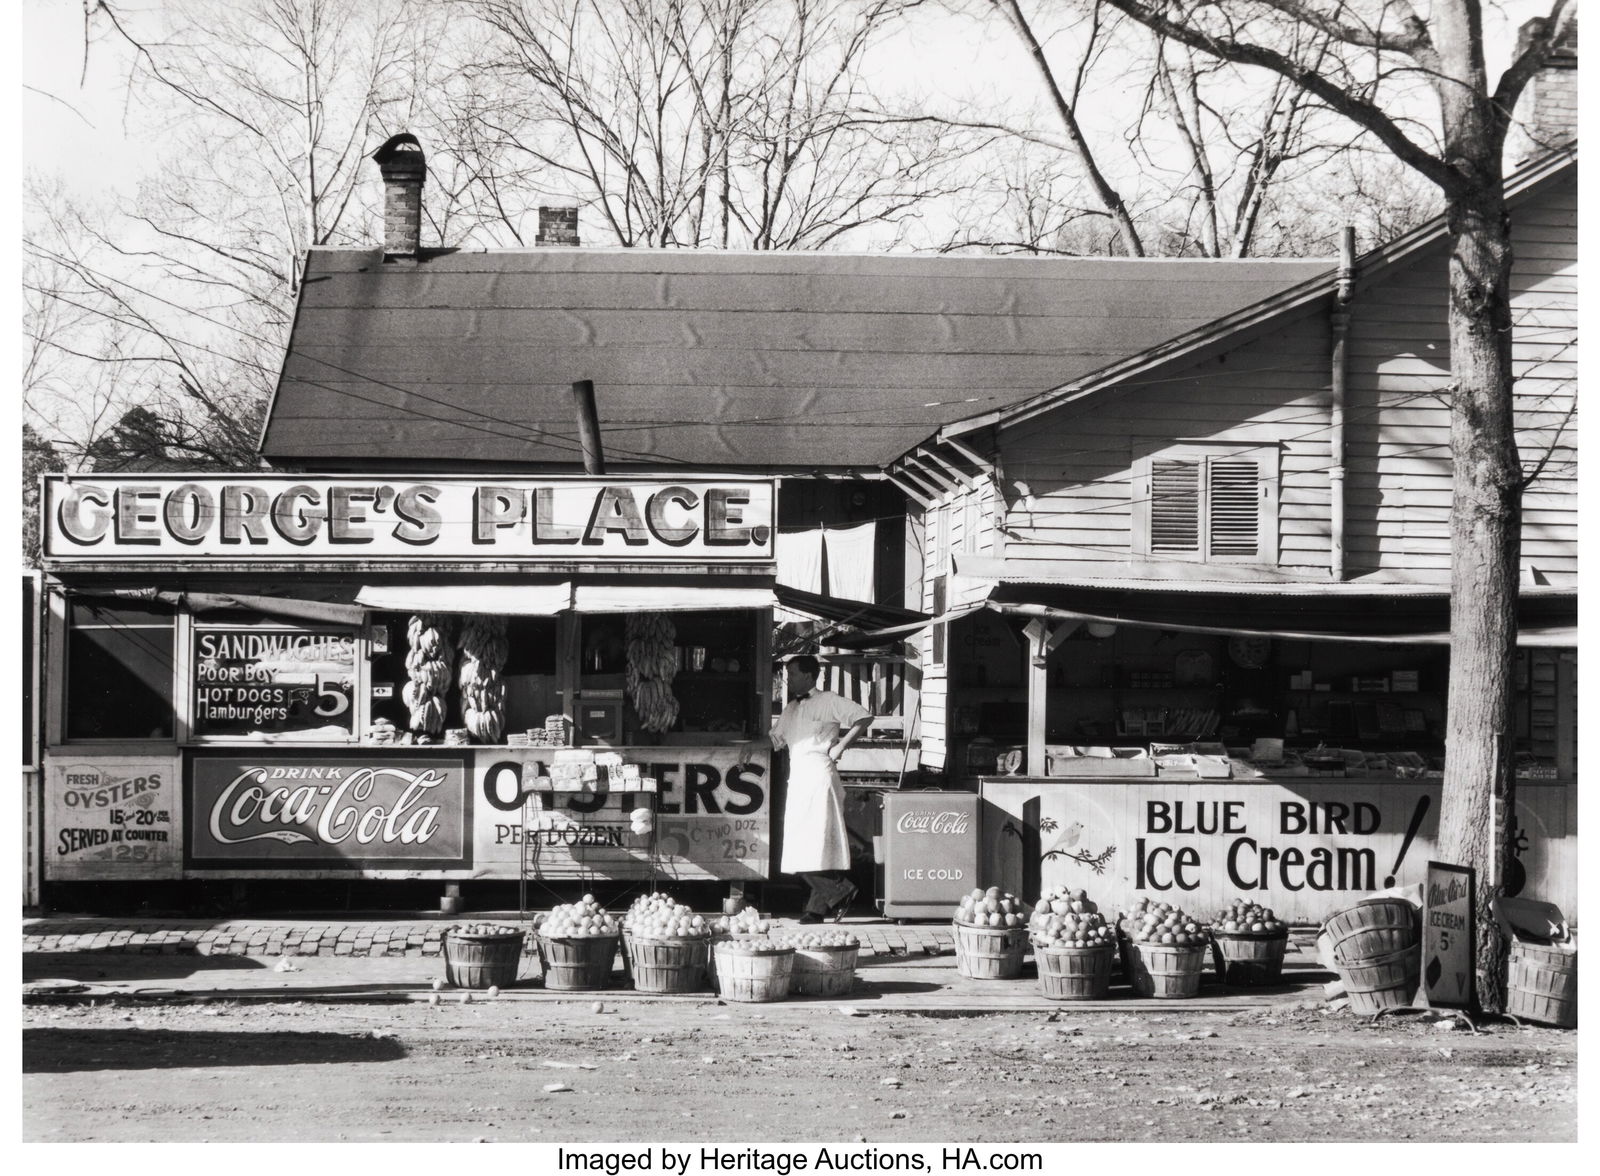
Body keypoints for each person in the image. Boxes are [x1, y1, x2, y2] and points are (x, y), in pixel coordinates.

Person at [751, 654, 872, 923]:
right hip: (799, 778)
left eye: (792, 674)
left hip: (819, 776)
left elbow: (863, 717)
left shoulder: (828, 700)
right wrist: (748, 746)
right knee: (803, 844)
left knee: (811, 842)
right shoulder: (791, 709)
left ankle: (840, 890)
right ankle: (818, 908)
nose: (788, 679)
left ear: (808, 676)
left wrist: (841, 746)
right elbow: (775, 740)